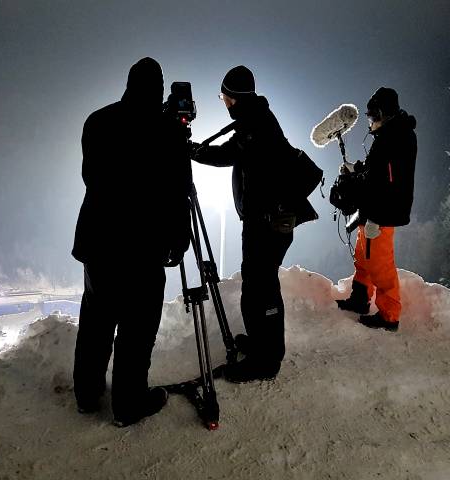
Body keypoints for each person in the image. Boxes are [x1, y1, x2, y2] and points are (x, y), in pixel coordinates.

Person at [71, 57, 191, 426]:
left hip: (99, 243)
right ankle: (127, 404)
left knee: (96, 322)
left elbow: (89, 174)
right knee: (136, 331)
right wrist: (179, 239)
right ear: (159, 89)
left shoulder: (97, 121)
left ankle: (87, 396)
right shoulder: (168, 130)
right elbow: (178, 191)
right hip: (143, 246)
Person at [192, 65, 317, 383]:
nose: (223, 102)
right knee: (259, 285)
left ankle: (266, 361)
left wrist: (190, 151)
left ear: (232, 97)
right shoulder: (256, 118)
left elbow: (225, 156)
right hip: (269, 219)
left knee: (261, 290)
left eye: (223, 96)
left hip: (268, 221)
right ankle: (263, 346)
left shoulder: (254, 126)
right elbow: (231, 154)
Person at [335, 87, 417, 332]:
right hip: (374, 208)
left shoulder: (394, 138)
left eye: (372, 117)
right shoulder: (391, 135)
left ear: (383, 113)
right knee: (363, 256)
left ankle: (389, 316)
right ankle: (360, 299)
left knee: (379, 264)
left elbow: (381, 181)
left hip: (383, 211)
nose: (369, 123)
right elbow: (375, 170)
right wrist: (356, 169)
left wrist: (353, 181)